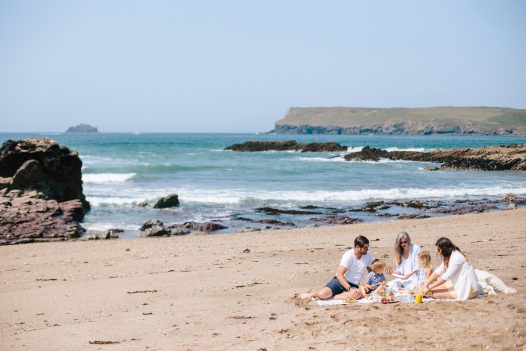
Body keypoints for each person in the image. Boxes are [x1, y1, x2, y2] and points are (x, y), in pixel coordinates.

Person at [300, 235, 374, 300]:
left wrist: (369, 283)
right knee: (322, 294)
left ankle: (332, 298)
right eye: (365, 248)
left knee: (356, 295)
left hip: (354, 284)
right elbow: (339, 274)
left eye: (368, 247)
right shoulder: (348, 255)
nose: (367, 250)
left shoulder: (368, 255)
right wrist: (349, 289)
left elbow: (371, 271)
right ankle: (311, 294)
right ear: (357, 247)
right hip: (340, 281)